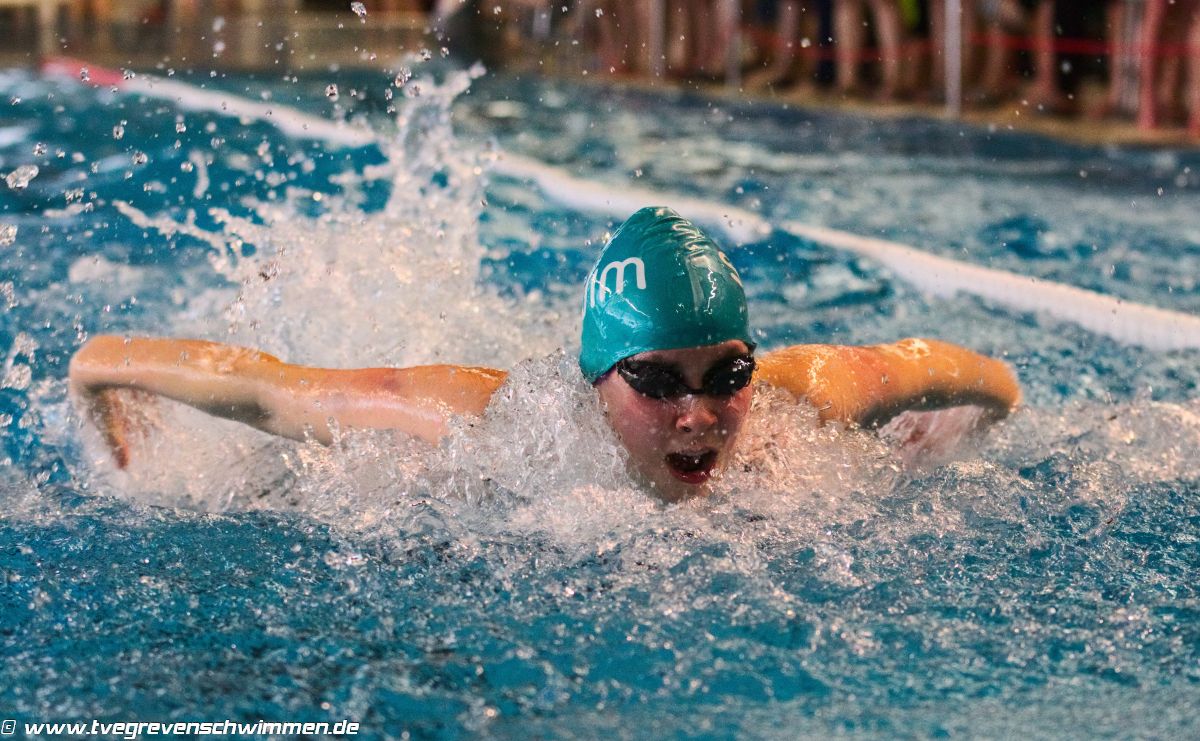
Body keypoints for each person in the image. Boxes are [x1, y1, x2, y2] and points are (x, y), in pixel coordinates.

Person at [69, 207, 1021, 502]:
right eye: (657, 381)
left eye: (727, 374)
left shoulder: (805, 396)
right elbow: (278, 391)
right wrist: (103, 367)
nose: (698, 412)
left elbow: (985, 378)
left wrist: (950, 435)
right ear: (599, 378)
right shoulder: (491, 422)